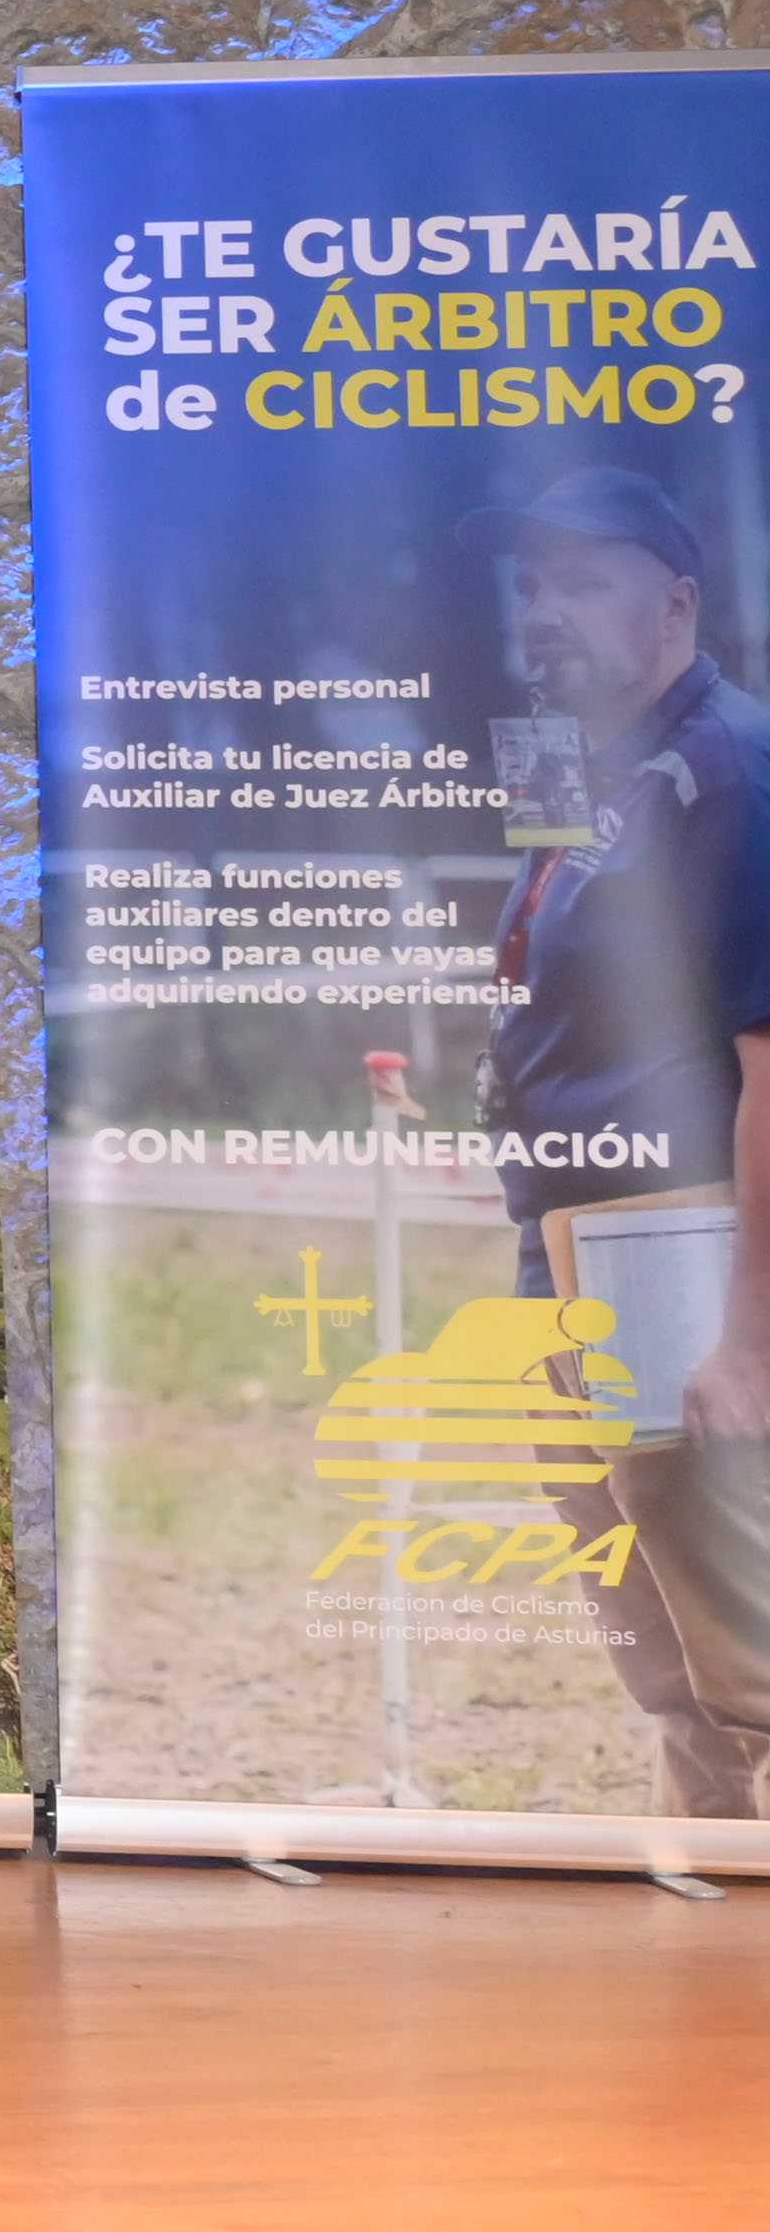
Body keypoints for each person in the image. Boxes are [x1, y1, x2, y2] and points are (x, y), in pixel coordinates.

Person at [460, 465, 770, 1813]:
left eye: (585, 579)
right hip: (578, 1251)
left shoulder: (732, 776)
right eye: (530, 581)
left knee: (745, 1652)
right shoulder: (597, 772)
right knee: (661, 1648)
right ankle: (706, 1917)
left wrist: (748, 1341)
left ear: (679, 601)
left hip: (682, 1258)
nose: (544, 609)